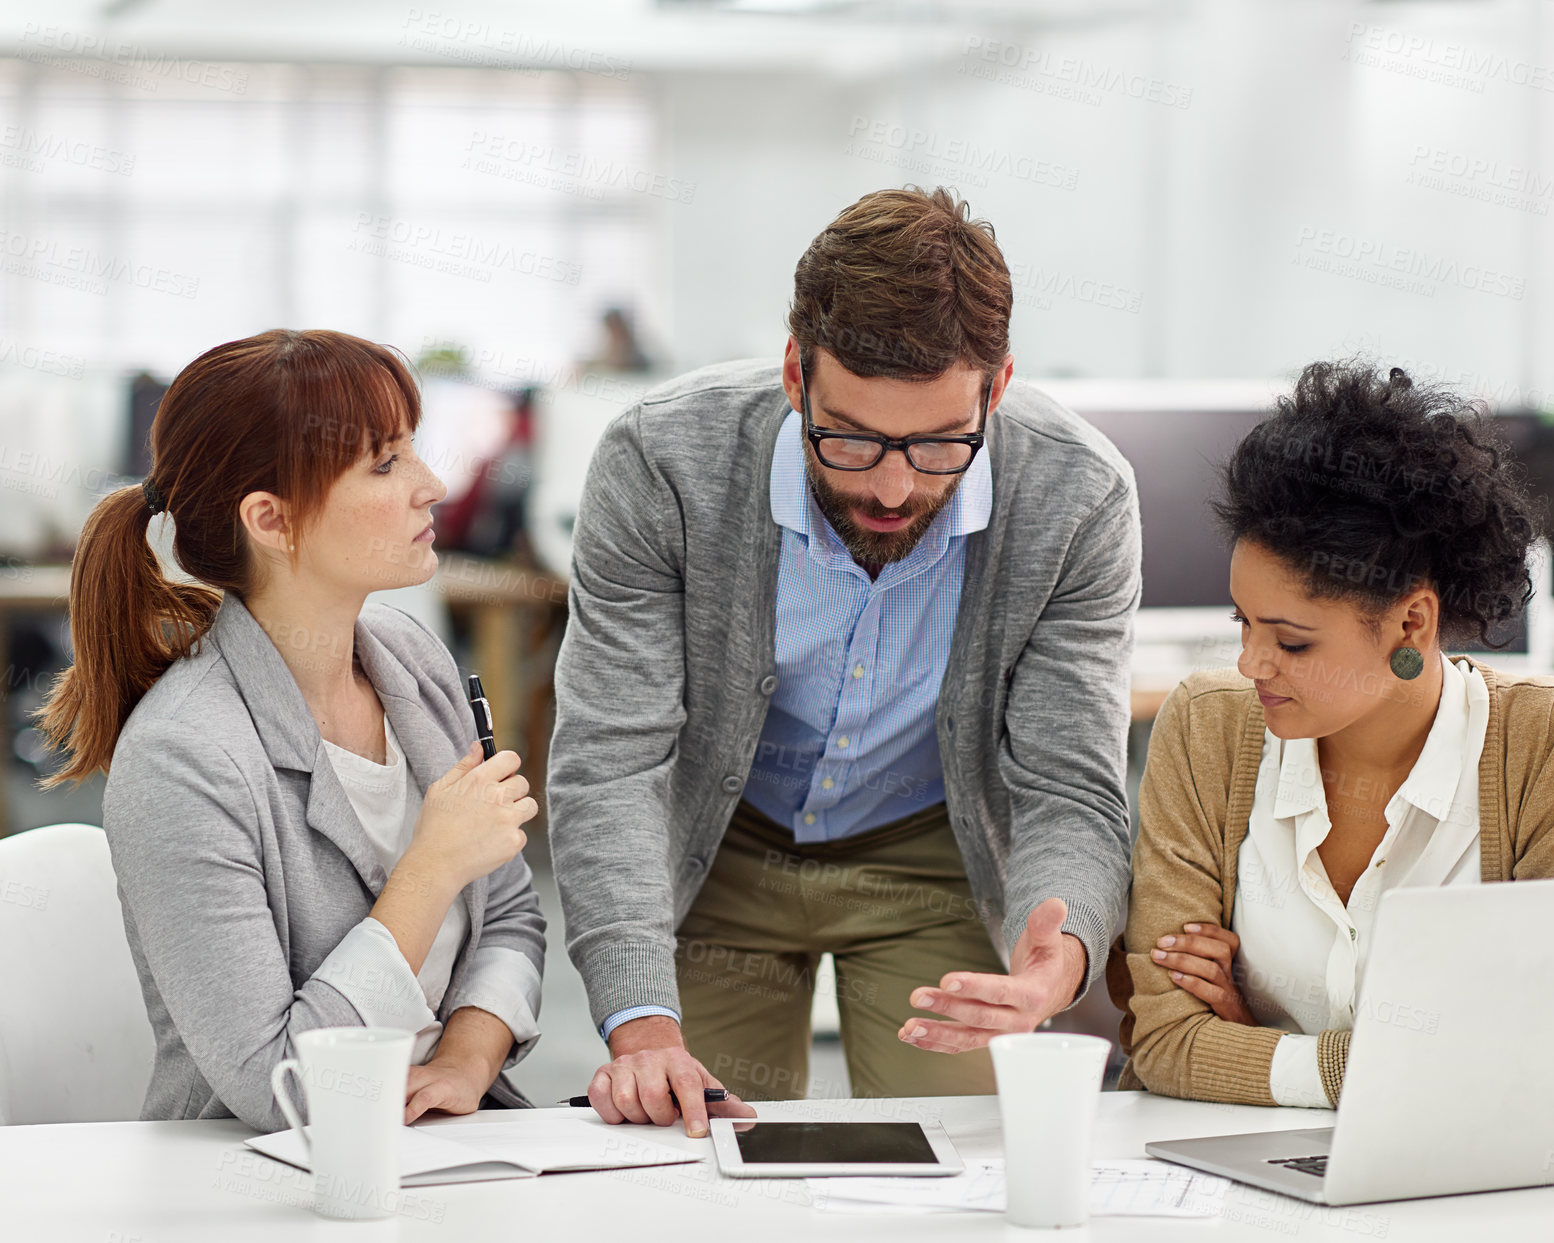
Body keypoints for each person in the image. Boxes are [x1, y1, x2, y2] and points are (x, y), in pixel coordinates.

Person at [548, 186, 1141, 1137]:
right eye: (852, 437)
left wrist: (1053, 961)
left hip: (929, 855)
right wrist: (639, 1017)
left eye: (943, 443)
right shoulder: (663, 459)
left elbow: (1068, 783)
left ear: (996, 388)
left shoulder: (1078, 494)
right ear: (794, 373)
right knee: (690, 1156)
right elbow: (611, 756)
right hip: (715, 840)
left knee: (970, 1159)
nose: (894, 486)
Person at [36, 329, 546, 1133]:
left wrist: (466, 1058)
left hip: (443, 1141)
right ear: (271, 520)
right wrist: (428, 867)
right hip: (262, 1175)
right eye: (385, 464)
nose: (434, 484)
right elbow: (281, 1087)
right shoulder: (185, 755)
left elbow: (510, 913)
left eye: (413, 450)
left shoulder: (413, 664)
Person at [1110, 361, 1554, 1107]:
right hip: (1240, 1169)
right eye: (1241, 622)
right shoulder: (1207, 723)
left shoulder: (1548, 736)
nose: (1250, 663)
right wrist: (1411, 1061)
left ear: (1411, 621)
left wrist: (1257, 1043)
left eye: (1291, 641)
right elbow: (1165, 1045)